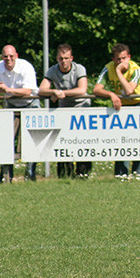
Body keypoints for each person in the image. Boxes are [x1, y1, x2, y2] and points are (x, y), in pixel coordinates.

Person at [93, 43, 140, 177]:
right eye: (118, 59)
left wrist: (118, 72)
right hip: (122, 105)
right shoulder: (108, 68)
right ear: (113, 59)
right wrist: (111, 94)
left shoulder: (136, 69)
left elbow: (129, 90)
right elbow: (96, 89)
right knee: (121, 139)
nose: (121, 61)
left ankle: (139, 174)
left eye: (124, 58)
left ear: (129, 57)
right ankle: (120, 174)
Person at [39, 44, 92, 178]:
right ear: (57, 58)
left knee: (82, 141)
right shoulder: (52, 70)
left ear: (71, 58)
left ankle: (83, 173)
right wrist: (53, 92)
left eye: (66, 58)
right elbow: (42, 90)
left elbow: (82, 90)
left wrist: (62, 93)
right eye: (61, 58)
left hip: (82, 108)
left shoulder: (79, 69)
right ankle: (64, 173)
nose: (63, 61)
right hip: (64, 110)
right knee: (63, 141)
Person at [0, 44, 39, 182]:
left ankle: (30, 174)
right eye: (5, 56)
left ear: (16, 56)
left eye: (11, 56)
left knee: (31, 140)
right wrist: (0, 90)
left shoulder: (26, 67)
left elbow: (28, 91)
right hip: (11, 104)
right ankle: (6, 175)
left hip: (30, 104)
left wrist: (8, 90)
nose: (8, 59)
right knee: (6, 139)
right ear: (2, 57)